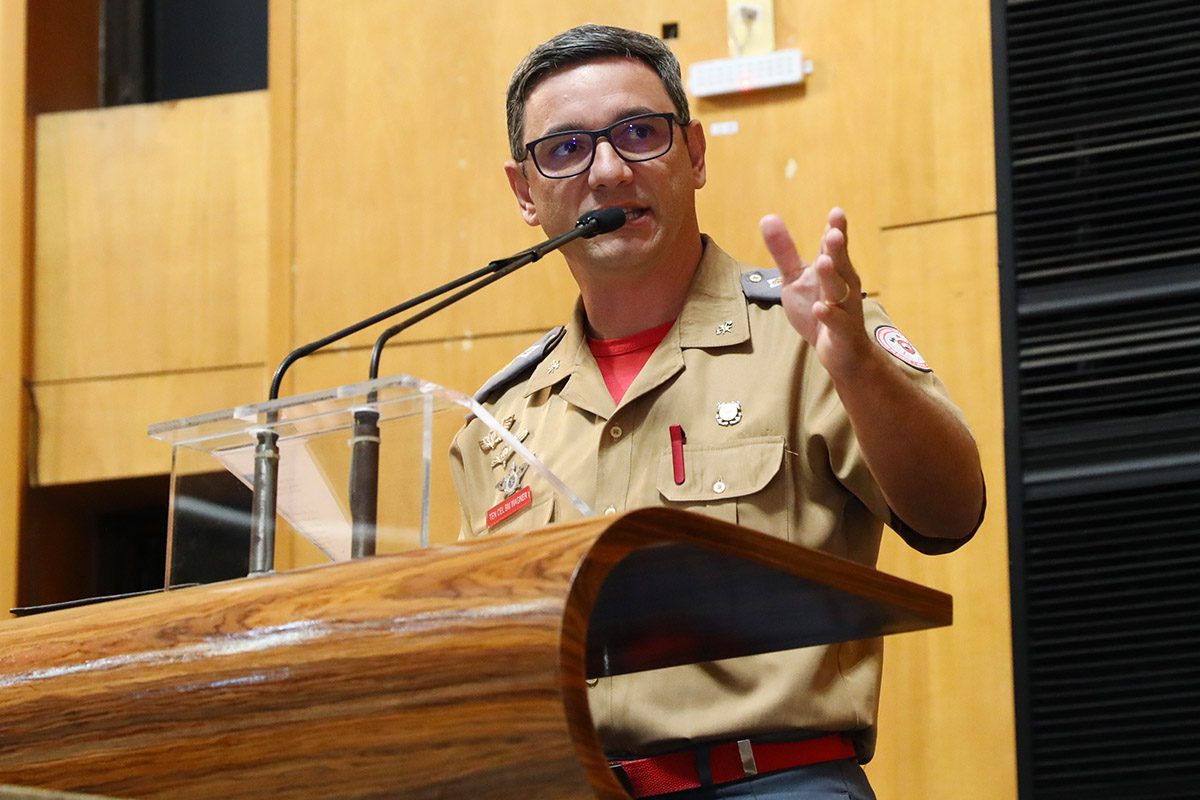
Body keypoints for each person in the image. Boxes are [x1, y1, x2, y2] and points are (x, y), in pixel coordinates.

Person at [449, 23, 985, 799]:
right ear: (525, 193)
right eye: (565, 148)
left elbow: (951, 513)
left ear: (695, 154)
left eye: (640, 133)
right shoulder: (498, 421)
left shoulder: (811, 335)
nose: (606, 171)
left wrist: (858, 367)